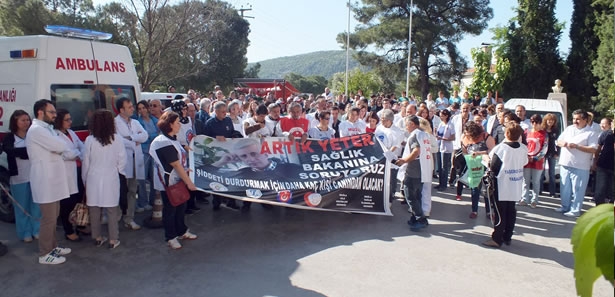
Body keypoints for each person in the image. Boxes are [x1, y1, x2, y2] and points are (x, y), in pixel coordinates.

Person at [26, 99, 72, 265]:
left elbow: (61, 145)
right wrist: (60, 146)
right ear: (40, 112)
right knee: (49, 219)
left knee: (54, 216)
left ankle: (53, 246)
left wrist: (60, 145)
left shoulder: (47, 129)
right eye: (51, 112)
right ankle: (45, 253)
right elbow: (61, 146)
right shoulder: (37, 130)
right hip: (45, 181)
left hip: (53, 180)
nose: (55, 115)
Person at [150, 111, 198, 249]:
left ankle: (181, 231)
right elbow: (175, 164)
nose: (179, 125)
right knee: (171, 209)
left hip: (177, 180)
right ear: (170, 124)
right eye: (177, 122)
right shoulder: (163, 141)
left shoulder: (171, 138)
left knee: (181, 206)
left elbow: (178, 159)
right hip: (168, 182)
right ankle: (170, 237)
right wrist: (189, 183)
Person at [82, 110, 126, 249]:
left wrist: (85, 180)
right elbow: (122, 160)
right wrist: (119, 170)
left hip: (93, 177)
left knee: (94, 209)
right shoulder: (117, 139)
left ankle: (97, 237)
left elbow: (86, 162)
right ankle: (113, 239)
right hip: (111, 176)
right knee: (112, 209)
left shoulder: (90, 140)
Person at [483, 122, 528, 248]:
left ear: (506, 133)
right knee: (511, 211)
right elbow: (524, 162)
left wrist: (486, 160)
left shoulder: (501, 148)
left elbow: (494, 167)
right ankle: (507, 236)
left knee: (500, 212)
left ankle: (497, 238)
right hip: (515, 183)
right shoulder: (523, 148)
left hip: (502, 184)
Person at [2, 110, 40, 242]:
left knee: (36, 205)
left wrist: (23, 152)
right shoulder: (10, 138)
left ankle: (37, 230)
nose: (26, 123)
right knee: (22, 207)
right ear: (15, 122)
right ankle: (25, 233)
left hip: (35, 175)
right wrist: (27, 152)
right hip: (19, 177)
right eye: (22, 120)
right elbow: (10, 151)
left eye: (27, 120)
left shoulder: (33, 135)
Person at [555, 109, 599, 217]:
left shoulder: (591, 133)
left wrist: (577, 146)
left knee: (577, 189)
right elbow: (558, 141)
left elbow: (593, 149)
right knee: (565, 188)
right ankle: (565, 206)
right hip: (565, 163)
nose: (575, 121)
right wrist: (563, 143)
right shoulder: (569, 129)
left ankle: (575, 210)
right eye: (574, 119)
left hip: (580, 166)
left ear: (585, 120)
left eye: (578, 119)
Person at [114, 97, 148, 230]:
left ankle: (129, 217)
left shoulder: (135, 122)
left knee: (133, 190)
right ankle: (116, 217)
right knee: (120, 191)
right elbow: (120, 141)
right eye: (129, 107)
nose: (132, 109)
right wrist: (135, 141)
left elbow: (144, 135)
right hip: (123, 162)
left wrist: (132, 138)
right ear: (121, 110)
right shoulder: (115, 123)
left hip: (135, 161)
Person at [54, 109, 86, 242]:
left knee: (79, 199)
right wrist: (76, 152)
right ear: (59, 121)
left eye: (70, 119)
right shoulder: (55, 135)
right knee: (67, 202)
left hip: (77, 170)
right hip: (65, 173)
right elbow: (65, 154)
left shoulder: (71, 133)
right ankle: (68, 231)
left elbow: (82, 147)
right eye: (67, 120)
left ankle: (79, 224)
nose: (70, 122)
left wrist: (76, 153)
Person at [204, 101, 241, 211]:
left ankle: (231, 201)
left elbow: (232, 131)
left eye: (226, 111)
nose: (225, 113)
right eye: (223, 112)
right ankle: (216, 201)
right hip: (216, 155)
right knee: (217, 178)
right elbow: (204, 139)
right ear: (216, 111)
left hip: (229, 153)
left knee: (231, 177)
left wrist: (235, 135)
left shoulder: (228, 120)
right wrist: (215, 138)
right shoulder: (209, 123)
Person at [395, 115, 430, 231]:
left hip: (413, 171)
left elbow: (416, 151)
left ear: (412, 124)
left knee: (409, 195)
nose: (406, 127)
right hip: (423, 170)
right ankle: (415, 217)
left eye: (407, 124)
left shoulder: (414, 135)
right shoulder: (424, 134)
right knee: (417, 195)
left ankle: (421, 219)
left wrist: (404, 160)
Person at [461, 121, 495, 219]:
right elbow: (465, 151)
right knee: (474, 189)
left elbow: (492, 150)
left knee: (486, 189)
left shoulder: (485, 137)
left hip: (485, 166)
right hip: (473, 166)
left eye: (467, 132)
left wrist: (479, 153)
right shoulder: (465, 138)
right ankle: (474, 210)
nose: (466, 134)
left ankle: (489, 211)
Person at [518, 115, 547, 208]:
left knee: (535, 181)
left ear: (540, 123)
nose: (534, 124)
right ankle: (524, 199)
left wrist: (535, 158)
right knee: (525, 181)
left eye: (537, 122)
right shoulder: (527, 132)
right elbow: (522, 145)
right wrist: (525, 156)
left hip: (537, 161)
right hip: (526, 160)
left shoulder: (544, 134)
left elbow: (544, 149)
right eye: (532, 122)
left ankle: (534, 200)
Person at [136, 100, 159, 211]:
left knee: (154, 177)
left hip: (153, 153)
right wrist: (150, 136)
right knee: (142, 179)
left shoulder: (155, 120)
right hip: (143, 152)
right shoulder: (137, 121)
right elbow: (142, 137)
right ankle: (142, 202)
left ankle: (153, 200)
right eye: (139, 109)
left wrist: (148, 136)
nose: (142, 111)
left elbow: (159, 134)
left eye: (143, 108)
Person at [592, 118, 614, 205]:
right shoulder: (606, 134)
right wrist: (594, 162)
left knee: (612, 191)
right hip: (603, 166)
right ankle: (599, 210)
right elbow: (598, 149)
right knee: (600, 191)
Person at [435, 109, 455, 191]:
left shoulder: (451, 125)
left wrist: (443, 138)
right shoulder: (441, 124)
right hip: (439, 146)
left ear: (446, 116)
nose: (440, 117)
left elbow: (453, 137)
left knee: (444, 167)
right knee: (439, 167)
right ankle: (440, 183)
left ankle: (444, 184)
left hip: (446, 148)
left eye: (442, 116)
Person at [543, 113, 560, 198]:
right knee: (541, 173)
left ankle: (552, 192)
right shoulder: (542, 130)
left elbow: (558, 142)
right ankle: (539, 191)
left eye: (552, 120)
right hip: (543, 153)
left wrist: (557, 153)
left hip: (552, 153)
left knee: (552, 173)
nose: (550, 122)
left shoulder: (556, 130)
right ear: (545, 121)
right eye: (549, 120)